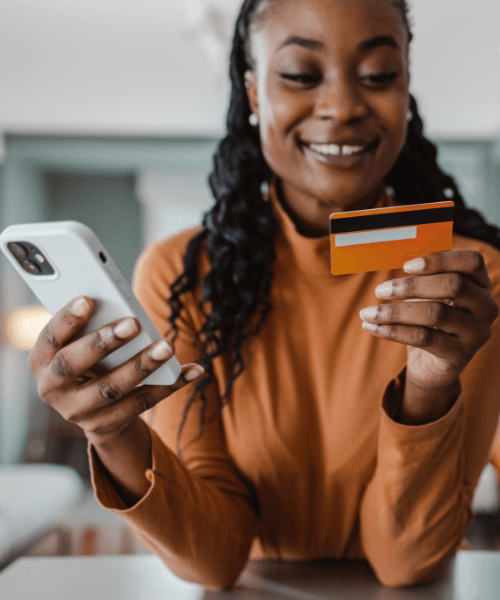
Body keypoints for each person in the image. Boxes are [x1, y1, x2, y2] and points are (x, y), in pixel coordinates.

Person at [27, 0, 500, 591]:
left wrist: (430, 387)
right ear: (252, 92)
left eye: (379, 75)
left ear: (406, 90)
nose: (343, 106)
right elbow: (214, 558)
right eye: (301, 75)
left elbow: (406, 561)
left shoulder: (470, 280)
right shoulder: (181, 274)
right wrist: (112, 432)